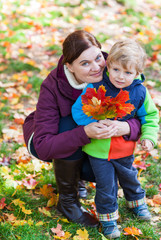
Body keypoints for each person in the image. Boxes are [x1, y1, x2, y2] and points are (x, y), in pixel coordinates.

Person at [22, 30, 142, 228]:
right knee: (69, 121)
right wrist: (85, 132)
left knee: (110, 170)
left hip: (95, 145)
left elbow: (142, 112)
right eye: (84, 63)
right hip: (47, 138)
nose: (96, 67)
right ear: (69, 66)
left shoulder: (116, 70)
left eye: (97, 58)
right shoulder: (52, 86)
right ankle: (68, 202)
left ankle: (77, 176)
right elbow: (43, 145)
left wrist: (126, 126)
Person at [72, 38, 159, 238]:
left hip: (124, 149)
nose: (121, 77)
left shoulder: (139, 92)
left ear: (137, 73)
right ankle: (109, 219)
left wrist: (149, 137)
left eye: (128, 73)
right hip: (98, 151)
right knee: (106, 186)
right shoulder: (95, 88)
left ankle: (137, 203)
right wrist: (91, 122)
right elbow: (78, 110)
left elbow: (151, 117)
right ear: (108, 65)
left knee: (130, 178)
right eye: (116, 70)